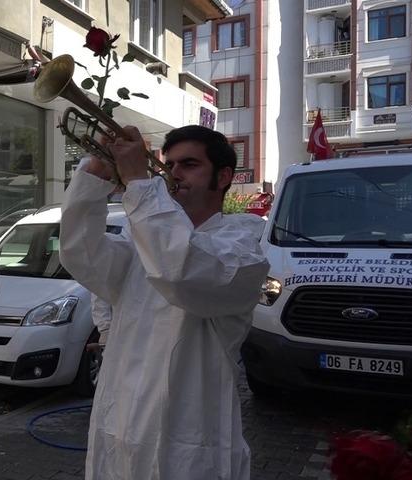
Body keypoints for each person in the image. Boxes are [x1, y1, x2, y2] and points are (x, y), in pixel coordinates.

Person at [59, 125, 270, 480]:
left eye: (189, 164)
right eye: (169, 164)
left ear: (223, 177)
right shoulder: (141, 241)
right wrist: (95, 176)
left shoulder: (243, 248)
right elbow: (79, 253)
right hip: (120, 425)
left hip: (187, 439)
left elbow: (182, 269)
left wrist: (139, 183)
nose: (173, 174)